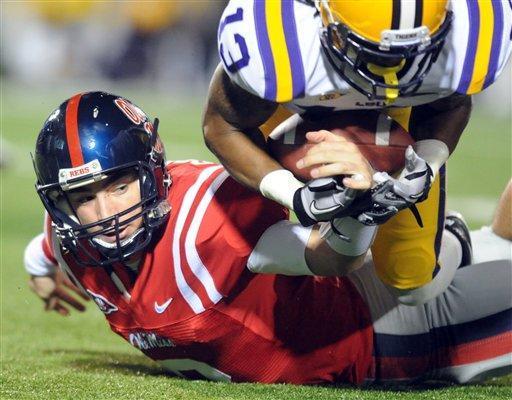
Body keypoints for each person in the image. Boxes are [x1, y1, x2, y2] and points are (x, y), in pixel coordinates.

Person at [25, 92, 511, 384]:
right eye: (83, 197)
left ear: (151, 174)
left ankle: (452, 243)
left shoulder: (206, 227)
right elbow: (44, 248)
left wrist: (364, 209)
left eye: (119, 186)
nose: (106, 214)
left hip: (386, 335)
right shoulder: (74, 239)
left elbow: (329, 259)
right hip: (356, 307)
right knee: (500, 245)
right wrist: (39, 270)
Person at [202, 0, 512, 299]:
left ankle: (455, 236)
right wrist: (294, 194)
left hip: (397, 114)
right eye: (375, 54)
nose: (390, 70)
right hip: (285, 104)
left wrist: (426, 164)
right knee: (243, 247)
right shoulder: (282, 41)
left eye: (409, 54)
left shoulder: (470, 25)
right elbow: (222, 126)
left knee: (411, 282)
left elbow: (451, 102)